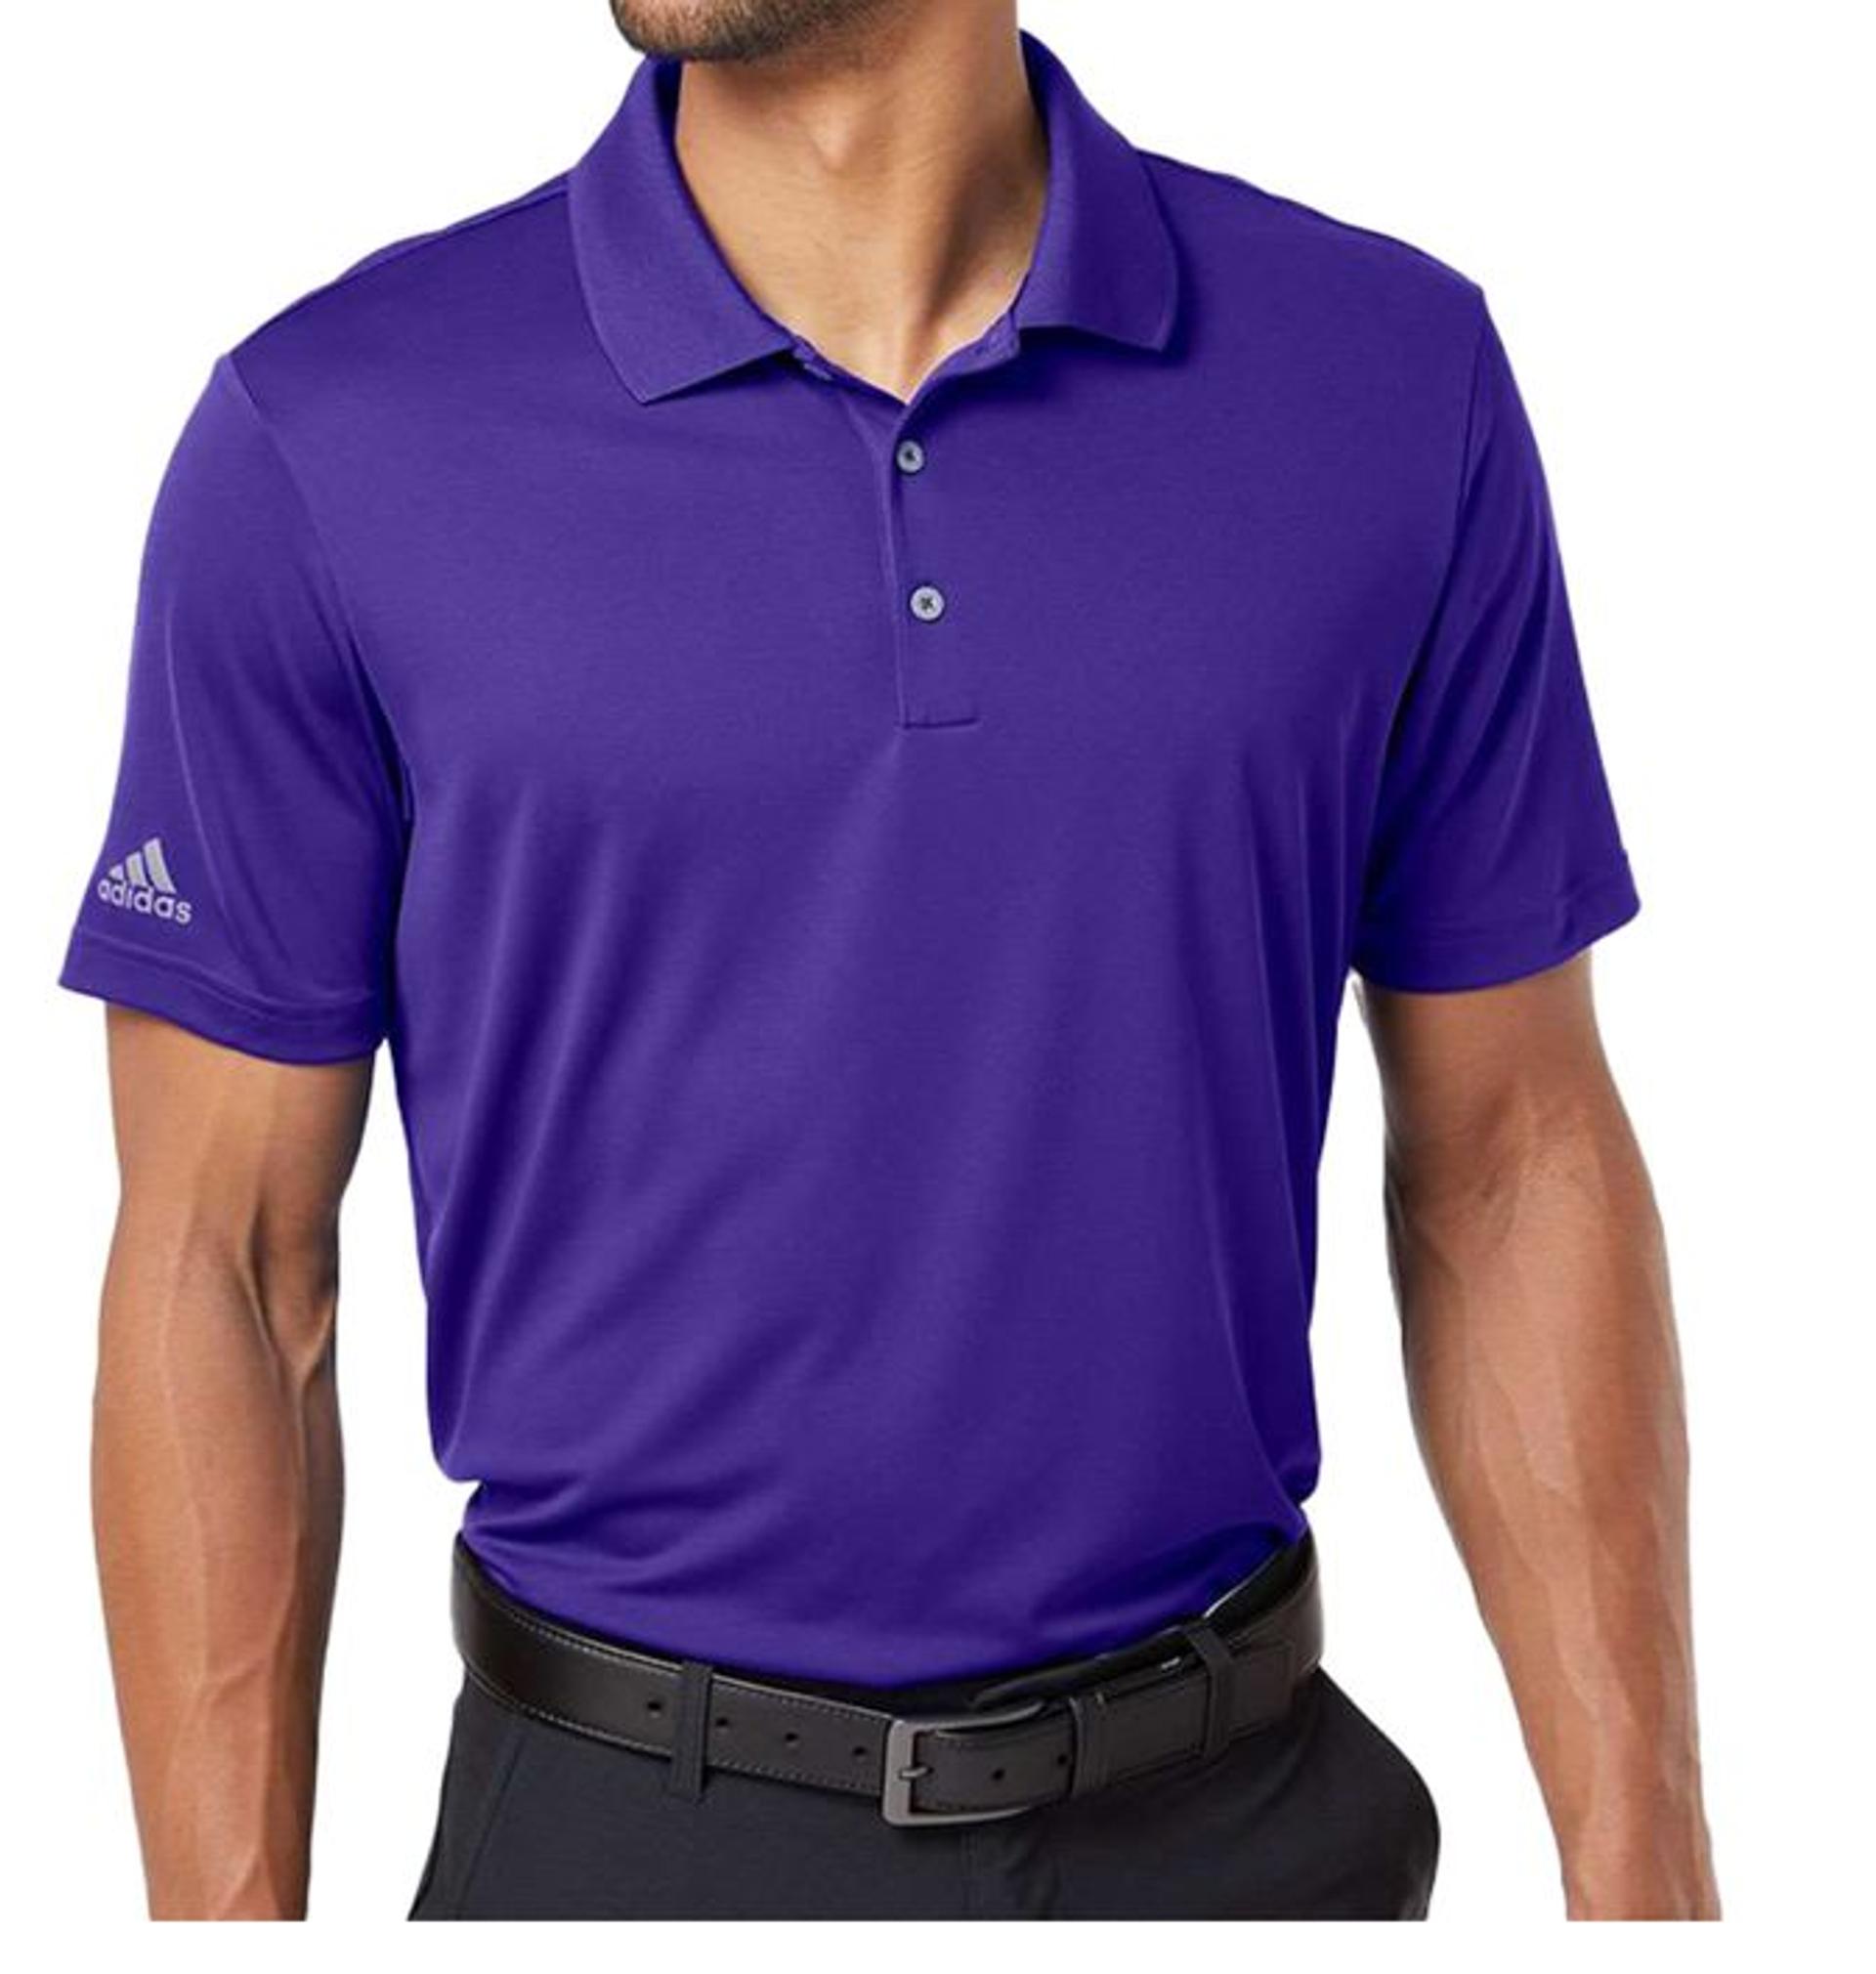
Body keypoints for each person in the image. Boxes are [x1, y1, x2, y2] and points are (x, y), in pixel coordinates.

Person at [61, 0, 1720, 1921]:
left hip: (1248, 1837)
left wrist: (1651, 1884)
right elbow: (228, 1261)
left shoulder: (1383, 377)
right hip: (627, 1847)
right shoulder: (332, 434)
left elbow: (1514, 1154)